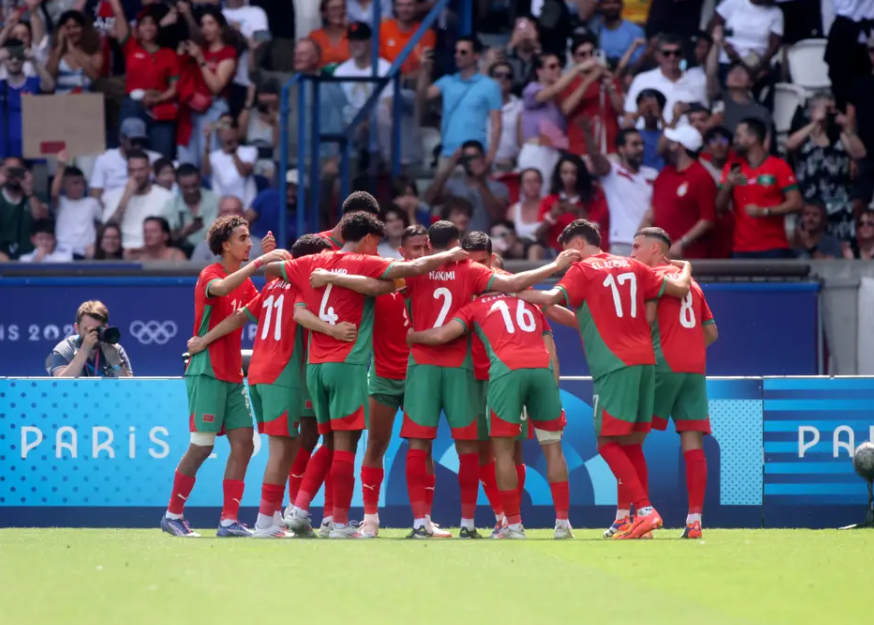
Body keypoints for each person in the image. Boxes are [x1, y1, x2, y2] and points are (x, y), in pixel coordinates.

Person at [270, 208, 475, 539]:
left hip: (339, 368)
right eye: (415, 248)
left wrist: (278, 259)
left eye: (426, 247)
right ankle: (347, 521)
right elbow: (398, 276)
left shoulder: (319, 265)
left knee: (338, 442)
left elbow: (284, 285)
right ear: (392, 247)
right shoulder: (375, 266)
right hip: (362, 370)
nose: (422, 253)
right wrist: (451, 253)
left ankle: (303, 512)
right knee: (353, 446)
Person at [374, 220, 579, 538]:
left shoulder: (413, 269)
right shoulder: (472, 272)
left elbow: (379, 285)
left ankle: (424, 523)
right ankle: (472, 523)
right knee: (471, 446)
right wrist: (555, 265)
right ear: (457, 243)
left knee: (425, 444)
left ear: (428, 244)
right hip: (465, 366)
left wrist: (412, 336)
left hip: (432, 365)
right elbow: (525, 291)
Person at [519, 218, 692, 540]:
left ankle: (644, 509)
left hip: (614, 366)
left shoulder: (582, 270)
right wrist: (687, 267)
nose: (565, 259)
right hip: (644, 363)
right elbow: (680, 288)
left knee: (608, 443)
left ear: (579, 245)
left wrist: (510, 287)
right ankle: (633, 520)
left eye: (566, 252)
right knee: (632, 444)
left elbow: (547, 300)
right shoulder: (634, 266)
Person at [185, 233, 357, 538]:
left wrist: (204, 340)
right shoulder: (305, 287)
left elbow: (240, 317)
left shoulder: (273, 286)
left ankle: (274, 516)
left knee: (288, 447)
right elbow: (301, 317)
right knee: (281, 451)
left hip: (258, 375)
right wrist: (334, 329)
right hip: (283, 376)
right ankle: (265, 521)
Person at [160, 214, 292, 538]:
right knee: (202, 446)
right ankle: (172, 515)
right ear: (225, 245)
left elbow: (256, 307)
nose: (249, 243)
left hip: (233, 374)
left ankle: (229, 521)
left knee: (244, 443)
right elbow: (220, 288)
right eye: (243, 238)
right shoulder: (211, 274)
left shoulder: (246, 283)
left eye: (250, 238)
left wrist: (273, 267)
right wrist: (261, 260)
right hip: (205, 371)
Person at [406, 289, 572, 541]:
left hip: (506, 372)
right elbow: (554, 355)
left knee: (502, 451)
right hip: (542, 372)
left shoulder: (475, 307)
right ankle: (562, 524)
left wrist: (412, 336)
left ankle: (513, 525)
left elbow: (441, 335)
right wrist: (555, 395)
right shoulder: (530, 306)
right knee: (553, 447)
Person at [629, 227, 718, 540]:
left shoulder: (651, 280)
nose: (632, 254)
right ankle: (695, 521)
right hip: (694, 368)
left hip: (661, 364)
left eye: (637, 247)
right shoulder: (691, 283)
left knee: (628, 440)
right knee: (693, 445)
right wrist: (686, 348)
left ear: (656, 250)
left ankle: (635, 518)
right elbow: (711, 332)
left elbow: (646, 321)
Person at [716, 117, 802, 258]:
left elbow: (796, 204)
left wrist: (765, 211)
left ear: (752, 138)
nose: (734, 140)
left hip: (773, 247)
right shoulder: (733, 167)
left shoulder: (778, 166)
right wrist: (727, 186)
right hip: (741, 249)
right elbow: (719, 209)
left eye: (739, 135)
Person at [787, 92, 864, 242]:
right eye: (825, 108)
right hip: (810, 210)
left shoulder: (839, 136)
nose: (829, 112)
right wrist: (815, 123)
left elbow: (859, 153)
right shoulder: (805, 135)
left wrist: (847, 129)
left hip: (838, 209)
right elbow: (790, 145)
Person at [418, 36, 502, 168]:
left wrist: (490, 156)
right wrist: (425, 70)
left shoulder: (490, 86)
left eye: (463, 52)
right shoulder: (447, 81)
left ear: (476, 56)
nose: (457, 55)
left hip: (475, 155)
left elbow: (496, 125)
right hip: (447, 154)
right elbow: (423, 96)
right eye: (456, 52)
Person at [109, 0, 178, 157]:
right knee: (131, 153)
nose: (148, 27)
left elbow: (174, 88)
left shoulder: (169, 54)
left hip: (160, 108)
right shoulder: (131, 47)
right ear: (137, 30)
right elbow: (119, 15)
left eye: (152, 23)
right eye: (144, 24)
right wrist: (115, 5)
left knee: (160, 156)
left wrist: (158, 98)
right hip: (133, 106)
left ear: (157, 29)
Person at [175, 6, 238, 168]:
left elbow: (216, 86)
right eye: (203, 24)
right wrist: (182, 55)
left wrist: (200, 59)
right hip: (191, 109)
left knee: (211, 159)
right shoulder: (199, 49)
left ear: (221, 27)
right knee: (187, 162)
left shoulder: (228, 52)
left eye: (211, 23)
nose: (206, 28)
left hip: (216, 110)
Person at [587, 126, 657, 257]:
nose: (640, 149)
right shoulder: (612, 172)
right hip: (622, 244)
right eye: (634, 144)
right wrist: (587, 133)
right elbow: (596, 158)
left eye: (641, 144)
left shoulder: (652, 174)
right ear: (621, 149)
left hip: (649, 244)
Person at [647, 126, 716, 258]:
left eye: (673, 142)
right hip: (660, 254)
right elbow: (654, 209)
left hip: (689, 257)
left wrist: (682, 243)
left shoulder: (702, 177)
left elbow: (707, 220)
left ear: (680, 146)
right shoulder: (665, 174)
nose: (669, 145)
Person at [558, 34, 624, 158]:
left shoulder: (608, 77)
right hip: (580, 148)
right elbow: (566, 109)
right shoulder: (568, 81)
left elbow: (621, 110)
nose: (588, 58)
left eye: (591, 53)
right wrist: (588, 81)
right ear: (574, 58)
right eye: (582, 55)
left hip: (609, 148)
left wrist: (610, 86)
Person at [517, 52, 577, 186]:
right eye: (552, 66)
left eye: (559, 66)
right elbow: (552, 90)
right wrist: (577, 70)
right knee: (536, 195)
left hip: (556, 150)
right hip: (537, 151)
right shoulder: (532, 88)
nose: (558, 70)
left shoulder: (561, 93)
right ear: (539, 71)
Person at [334, 22, 392, 158]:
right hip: (349, 125)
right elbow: (337, 107)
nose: (355, 44)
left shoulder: (386, 68)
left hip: (377, 125)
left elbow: (388, 104)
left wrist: (367, 123)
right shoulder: (340, 72)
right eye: (352, 40)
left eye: (360, 40)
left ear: (370, 41)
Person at [425, 140, 509, 234]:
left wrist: (481, 181)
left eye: (475, 157)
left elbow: (497, 217)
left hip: (485, 240)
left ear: (483, 158)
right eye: (467, 158)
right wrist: (449, 167)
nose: (471, 161)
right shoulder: (453, 185)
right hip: (459, 241)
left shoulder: (498, 187)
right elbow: (430, 199)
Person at [624, 33, 707, 126]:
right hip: (651, 137)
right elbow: (629, 120)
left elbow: (705, 116)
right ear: (657, 56)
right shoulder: (642, 80)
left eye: (677, 53)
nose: (672, 57)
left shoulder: (698, 80)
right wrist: (642, 111)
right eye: (666, 53)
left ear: (682, 56)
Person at [101, 150, 174, 252]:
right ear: (127, 171)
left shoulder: (165, 196)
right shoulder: (114, 196)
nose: (136, 175)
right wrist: (126, 197)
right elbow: (109, 229)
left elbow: (169, 233)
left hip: (151, 251)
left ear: (149, 170)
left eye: (141, 170)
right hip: (120, 250)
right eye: (132, 170)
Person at [536, 154, 608, 253]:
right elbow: (537, 235)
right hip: (555, 254)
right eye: (564, 172)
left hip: (583, 254)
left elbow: (596, 234)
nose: (569, 177)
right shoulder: (549, 200)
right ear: (558, 174)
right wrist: (552, 215)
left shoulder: (592, 200)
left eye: (573, 173)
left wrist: (579, 213)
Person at [706, 32, 771, 136]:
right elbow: (711, 73)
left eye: (742, 72)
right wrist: (716, 44)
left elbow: (763, 147)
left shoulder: (761, 112)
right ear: (726, 80)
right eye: (733, 71)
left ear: (750, 82)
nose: (737, 75)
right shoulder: (718, 97)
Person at [46, 300, 132, 377]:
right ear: (76, 328)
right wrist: (84, 350)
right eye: (86, 329)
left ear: (105, 328)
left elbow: (130, 389)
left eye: (97, 329)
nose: (92, 334)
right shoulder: (64, 349)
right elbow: (60, 386)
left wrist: (115, 361)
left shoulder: (116, 350)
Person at [0, 37, 54, 158]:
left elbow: (49, 85)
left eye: (19, 57)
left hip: (34, 150)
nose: (14, 61)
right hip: (4, 150)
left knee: (38, 177)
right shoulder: (1, 85)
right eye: (10, 58)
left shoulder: (33, 83)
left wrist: (34, 60)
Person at [89, 118, 162, 202]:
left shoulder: (155, 158)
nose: (137, 146)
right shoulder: (105, 159)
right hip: (113, 206)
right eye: (134, 142)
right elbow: (95, 194)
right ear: (121, 139)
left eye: (141, 141)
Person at [712, 0, 783, 86]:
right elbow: (713, 27)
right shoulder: (732, 3)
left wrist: (759, 65)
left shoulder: (776, 12)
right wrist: (726, 46)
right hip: (728, 60)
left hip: (757, 63)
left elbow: (774, 45)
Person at [51, 155, 101, 259]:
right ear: (64, 184)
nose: (80, 187)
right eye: (75, 183)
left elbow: (103, 222)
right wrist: (61, 166)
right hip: (63, 253)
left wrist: (96, 244)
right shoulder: (61, 202)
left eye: (82, 183)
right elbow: (54, 193)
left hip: (86, 253)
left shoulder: (92, 203)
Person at [203, 115, 257, 208]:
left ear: (236, 130)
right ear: (218, 133)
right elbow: (206, 172)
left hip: (244, 207)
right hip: (222, 209)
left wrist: (233, 151)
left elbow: (243, 173)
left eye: (229, 126)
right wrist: (207, 142)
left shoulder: (250, 151)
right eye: (222, 127)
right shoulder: (213, 156)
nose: (226, 130)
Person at [0, 156, 48, 259]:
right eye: (9, 170)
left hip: (27, 254)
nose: (13, 175)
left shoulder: (35, 197)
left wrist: (29, 191)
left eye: (16, 171)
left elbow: (39, 216)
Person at [165, 164, 220, 253]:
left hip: (212, 250)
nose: (191, 190)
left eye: (194, 185)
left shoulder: (216, 200)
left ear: (199, 181)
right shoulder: (170, 206)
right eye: (186, 187)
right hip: (183, 253)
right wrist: (183, 233)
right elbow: (166, 238)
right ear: (178, 185)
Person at [45, 10, 103, 94]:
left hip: (87, 103)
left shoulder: (93, 51)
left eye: (76, 27)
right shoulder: (57, 53)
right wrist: (60, 46)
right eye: (68, 28)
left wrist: (73, 51)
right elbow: (48, 75)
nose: (72, 31)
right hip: (61, 103)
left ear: (84, 28)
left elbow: (94, 76)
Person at [379, 0, 435, 78]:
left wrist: (404, 78)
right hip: (385, 80)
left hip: (413, 84)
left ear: (416, 7)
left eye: (409, 5)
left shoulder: (426, 32)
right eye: (400, 5)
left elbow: (427, 67)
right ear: (395, 7)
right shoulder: (383, 28)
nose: (404, 9)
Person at [487, 61, 522, 171]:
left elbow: (525, 142)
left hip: (513, 166)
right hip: (483, 166)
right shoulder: (480, 106)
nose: (503, 79)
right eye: (498, 75)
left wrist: (514, 160)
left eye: (508, 76)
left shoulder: (521, 106)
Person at [596, 0, 646, 67]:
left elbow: (638, 61)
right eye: (607, 3)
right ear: (600, 6)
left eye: (615, 2)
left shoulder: (635, 31)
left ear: (621, 5)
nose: (611, 6)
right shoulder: (596, 31)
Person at [506, 168, 543, 255]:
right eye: (527, 181)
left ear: (541, 184)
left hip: (543, 249)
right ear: (521, 185)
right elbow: (509, 234)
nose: (532, 185)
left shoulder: (548, 206)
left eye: (535, 181)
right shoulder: (514, 209)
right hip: (519, 250)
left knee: (534, 250)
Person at [309, 0, 350, 68]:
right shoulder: (315, 36)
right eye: (334, 8)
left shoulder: (353, 33)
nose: (339, 12)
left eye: (342, 7)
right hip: (321, 77)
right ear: (324, 13)